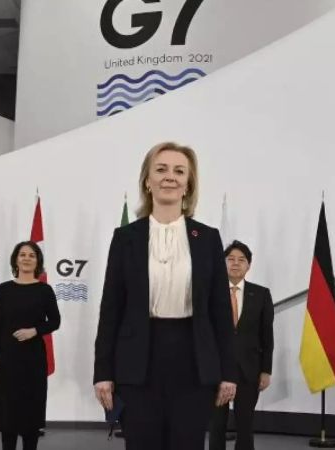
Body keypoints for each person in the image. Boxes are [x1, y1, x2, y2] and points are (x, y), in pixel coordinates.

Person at [93, 142, 237, 450]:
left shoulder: (208, 238)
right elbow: (111, 311)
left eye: (179, 171)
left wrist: (228, 372)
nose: (169, 177)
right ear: (147, 181)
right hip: (138, 363)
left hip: (194, 363)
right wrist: (103, 373)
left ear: (188, 184)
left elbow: (221, 313)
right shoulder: (125, 239)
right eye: (161, 169)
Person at [0, 241, 61, 450]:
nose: (27, 258)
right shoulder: (4, 289)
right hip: (7, 358)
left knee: (31, 412)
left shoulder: (44, 290)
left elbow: (55, 321)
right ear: (15, 260)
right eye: (22, 254)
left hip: (33, 359)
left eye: (32, 255)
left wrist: (34, 330)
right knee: (7, 413)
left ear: (37, 261)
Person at [209, 240, 274, 450]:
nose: (236, 264)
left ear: (249, 265)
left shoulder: (262, 294)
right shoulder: (211, 293)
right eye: (230, 259)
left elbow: (267, 335)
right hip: (217, 369)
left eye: (241, 260)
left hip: (249, 370)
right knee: (216, 424)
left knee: (245, 424)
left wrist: (266, 370)